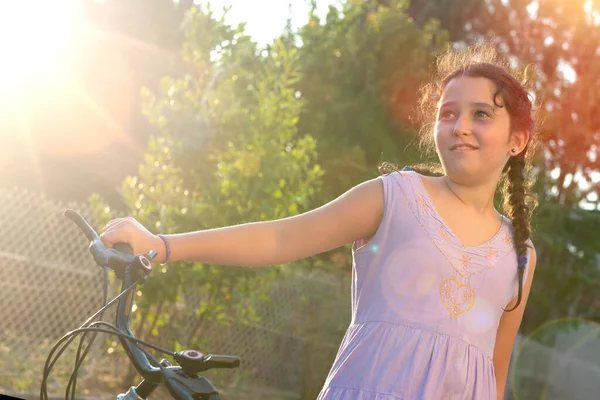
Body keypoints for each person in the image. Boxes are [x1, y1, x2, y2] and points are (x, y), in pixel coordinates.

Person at [100, 43, 538, 400]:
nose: (460, 125)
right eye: (448, 113)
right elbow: (279, 239)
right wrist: (159, 243)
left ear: (517, 140)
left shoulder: (520, 255)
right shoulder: (395, 197)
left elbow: (494, 377)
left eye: (481, 114)